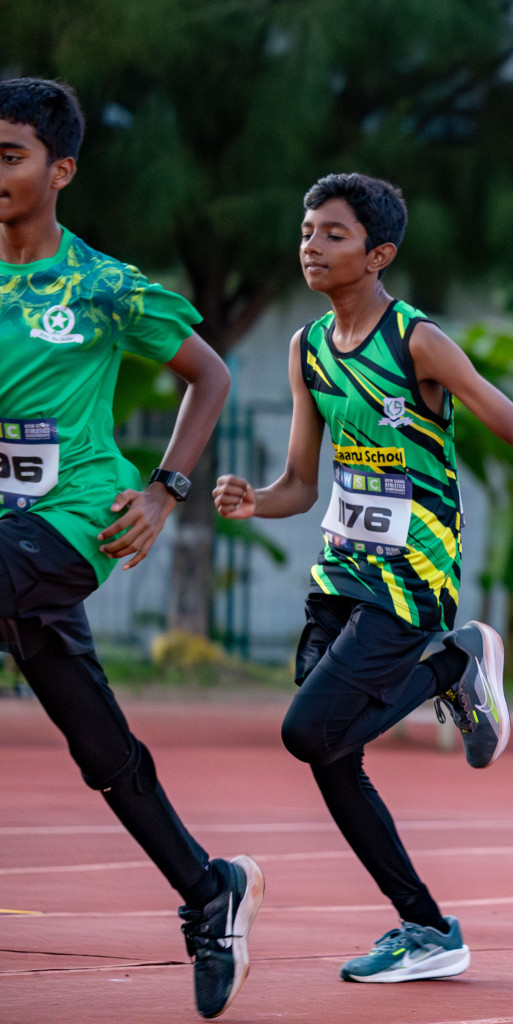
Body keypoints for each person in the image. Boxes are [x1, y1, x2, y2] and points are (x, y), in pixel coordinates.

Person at [213, 172, 513, 983]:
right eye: (306, 231)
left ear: (379, 254)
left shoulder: (418, 342)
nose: (312, 246)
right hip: (340, 570)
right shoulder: (310, 349)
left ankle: (454, 660)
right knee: (331, 756)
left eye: (333, 235)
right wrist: (254, 501)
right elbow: (302, 483)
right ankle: (427, 929)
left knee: (305, 730)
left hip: (412, 578)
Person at [0, 77, 261, 1018]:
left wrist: (165, 488)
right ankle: (208, 888)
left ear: (60, 170)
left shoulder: (100, 285)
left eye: (10, 155)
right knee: (98, 744)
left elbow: (211, 372)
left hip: (77, 520)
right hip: (6, 540)